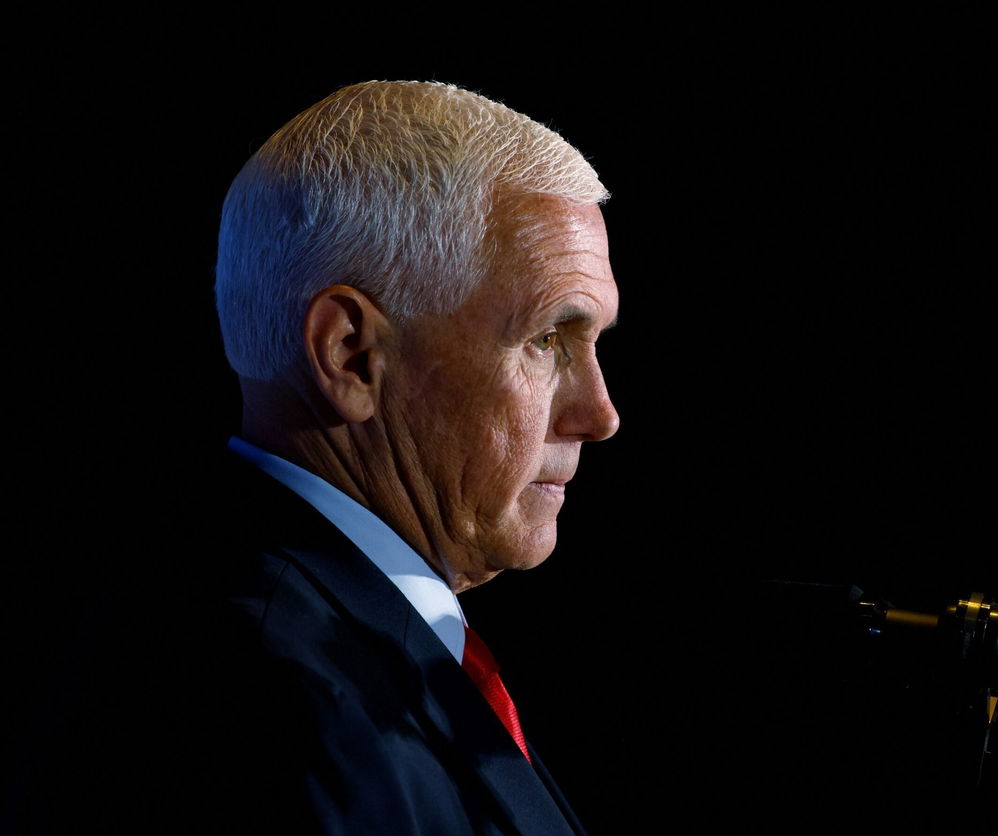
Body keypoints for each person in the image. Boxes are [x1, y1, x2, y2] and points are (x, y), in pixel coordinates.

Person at [7, 80, 618, 835]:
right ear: (351, 354)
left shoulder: (310, 640)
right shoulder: (267, 704)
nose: (601, 415)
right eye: (547, 339)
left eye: (596, 345)